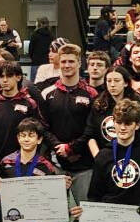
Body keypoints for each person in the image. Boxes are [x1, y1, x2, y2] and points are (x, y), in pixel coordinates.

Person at [40, 43, 98, 201]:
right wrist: (59, 147)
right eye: (63, 61)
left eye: (71, 61)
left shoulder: (91, 93)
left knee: (86, 214)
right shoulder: (47, 93)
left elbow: (92, 129)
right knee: (54, 216)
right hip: (56, 164)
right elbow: (43, 127)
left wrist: (71, 148)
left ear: (79, 63)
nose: (67, 65)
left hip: (85, 166)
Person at [0, 62, 45, 167]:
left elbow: (40, 133)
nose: (5, 80)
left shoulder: (30, 104)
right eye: (1, 76)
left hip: (28, 164)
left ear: (18, 77)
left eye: (9, 76)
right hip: (1, 162)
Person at [84, 66, 140, 158]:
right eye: (109, 81)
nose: (112, 85)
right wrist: (98, 158)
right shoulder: (98, 104)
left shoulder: (135, 105)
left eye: (117, 80)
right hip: (105, 155)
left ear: (125, 83)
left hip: (131, 155)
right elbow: (90, 135)